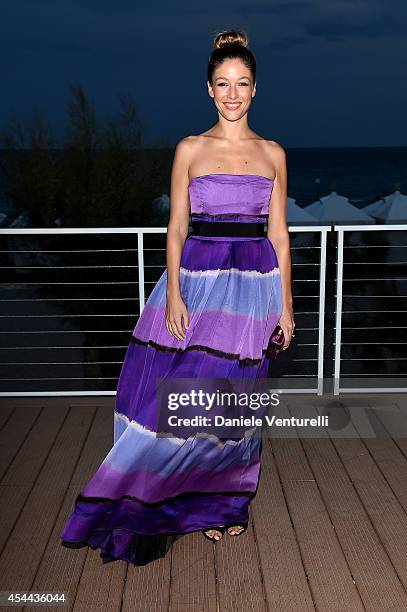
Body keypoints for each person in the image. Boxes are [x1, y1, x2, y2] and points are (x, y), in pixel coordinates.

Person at [59, 28, 295, 566]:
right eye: (222, 83)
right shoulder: (190, 148)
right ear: (208, 89)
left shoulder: (274, 154)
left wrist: (286, 303)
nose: (232, 93)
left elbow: (279, 234)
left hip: (254, 286)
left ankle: (220, 503)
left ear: (255, 89)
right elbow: (175, 228)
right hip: (198, 281)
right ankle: (169, 498)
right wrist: (173, 296)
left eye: (242, 83)